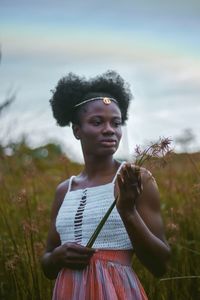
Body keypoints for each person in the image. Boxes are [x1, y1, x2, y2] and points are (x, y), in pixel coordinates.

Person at [41, 70, 170, 300]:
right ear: (77, 130)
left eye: (116, 122)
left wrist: (128, 212)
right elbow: (47, 264)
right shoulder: (65, 190)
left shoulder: (136, 179)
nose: (109, 129)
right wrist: (58, 257)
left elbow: (160, 266)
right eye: (97, 122)